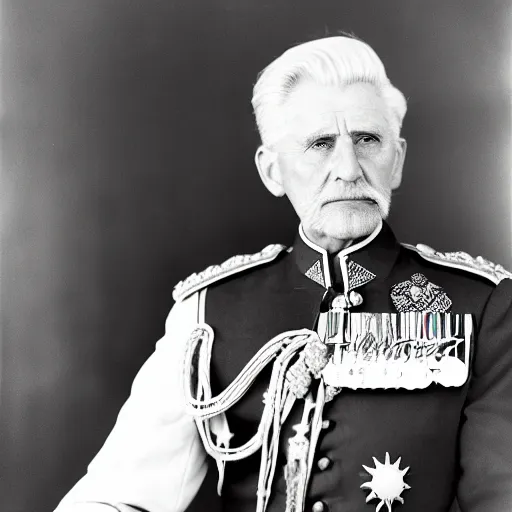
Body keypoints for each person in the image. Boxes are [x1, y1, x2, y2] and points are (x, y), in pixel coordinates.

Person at [54, 35, 512, 512]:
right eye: (320, 144)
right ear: (272, 171)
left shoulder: (482, 307)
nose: (348, 168)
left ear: (396, 160)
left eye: (367, 140)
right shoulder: (209, 313)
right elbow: (116, 498)